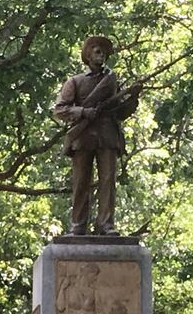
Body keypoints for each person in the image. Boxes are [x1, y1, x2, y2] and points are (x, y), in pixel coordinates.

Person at [54, 36, 141, 236]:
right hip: (83, 137)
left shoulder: (111, 81)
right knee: (81, 182)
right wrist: (83, 112)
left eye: (104, 52)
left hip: (108, 136)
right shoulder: (75, 81)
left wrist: (133, 97)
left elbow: (121, 113)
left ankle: (106, 224)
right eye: (97, 50)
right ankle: (78, 225)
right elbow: (60, 110)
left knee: (108, 181)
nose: (101, 55)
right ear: (87, 54)